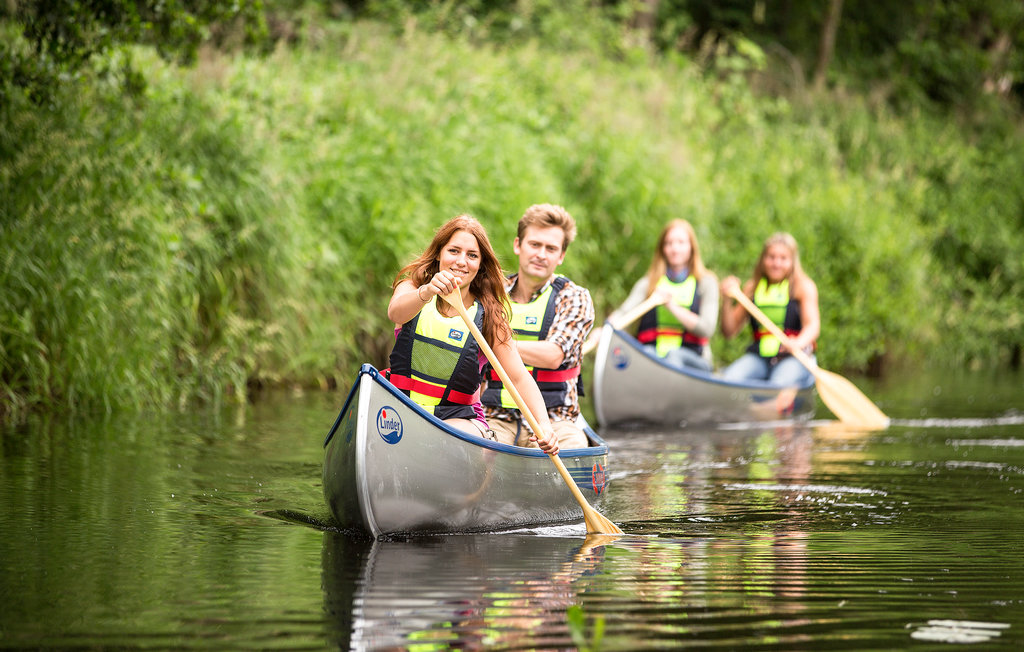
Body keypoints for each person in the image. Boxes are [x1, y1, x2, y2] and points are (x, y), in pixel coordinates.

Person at [387, 214, 559, 454]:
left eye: (472, 255)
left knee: (443, 433)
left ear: (480, 265)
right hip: (402, 408)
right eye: (454, 251)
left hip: (459, 420)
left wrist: (544, 425)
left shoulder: (490, 317)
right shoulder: (413, 289)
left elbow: (518, 377)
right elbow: (396, 313)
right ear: (439, 253)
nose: (461, 261)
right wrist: (427, 291)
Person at [481, 204, 594, 449]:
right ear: (518, 245)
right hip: (496, 417)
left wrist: (496, 346)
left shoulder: (574, 297)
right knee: (476, 447)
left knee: (573, 447)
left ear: (561, 256)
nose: (541, 254)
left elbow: (553, 356)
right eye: (534, 244)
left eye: (551, 248)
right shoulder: (491, 295)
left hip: (556, 420)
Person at [601, 219, 718, 372]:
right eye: (669, 243)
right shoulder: (648, 283)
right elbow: (624, 313)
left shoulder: (706, 283)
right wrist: (606, 330)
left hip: (693, 359)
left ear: (691, 248)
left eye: (681, 242)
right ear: (663, 249)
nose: (674, 248)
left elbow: (707, 328)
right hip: (653, 355)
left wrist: (671, 306)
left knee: (674, 355)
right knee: (645, 354)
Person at [719, 231, 820, 387]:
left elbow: (813, 326)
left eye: (783, 258)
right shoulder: (752, 288)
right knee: (728, 378)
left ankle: (771, 404)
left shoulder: (803, 287)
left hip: (794, 356)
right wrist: (726, 301)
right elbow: (729, 331)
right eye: (771, 257)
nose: (776, 263)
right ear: (763, 260)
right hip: (760, 357)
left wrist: (798, 342)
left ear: (792, 261)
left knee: (778, 384)